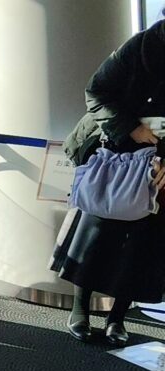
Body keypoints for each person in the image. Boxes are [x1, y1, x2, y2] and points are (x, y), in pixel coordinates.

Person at [54, 18, 165, 346]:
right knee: (95, 230)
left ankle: (117, 317)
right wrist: (131, 128)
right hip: (113, 151)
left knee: (141, 242)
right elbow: (96, 92)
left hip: (158, 160)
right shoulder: (140, 46)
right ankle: (80, 310)